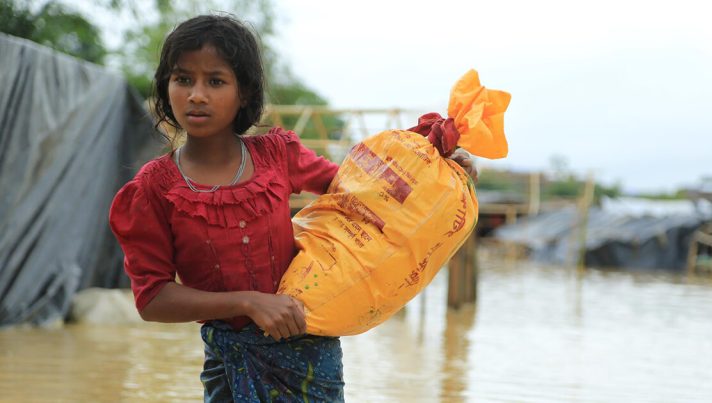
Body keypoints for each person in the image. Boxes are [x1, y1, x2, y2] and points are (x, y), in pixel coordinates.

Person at [109, 14, 477, 402]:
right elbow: (152, 300)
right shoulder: (154, 188)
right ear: (167, 86)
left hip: (310, 356)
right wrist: (247, 303)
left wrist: (445, 171)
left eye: (215, 81)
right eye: (183, 79)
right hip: (230, 363)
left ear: (245, 93)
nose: (196, 95)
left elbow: (367, 195)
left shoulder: (276, 154)